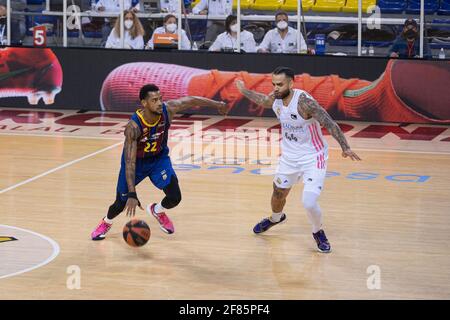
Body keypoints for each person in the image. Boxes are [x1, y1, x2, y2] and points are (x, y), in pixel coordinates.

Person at [235, 67, 361, 253]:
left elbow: (329, 123)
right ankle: (276, 218)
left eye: (280, 84)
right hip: (289, 157)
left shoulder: (304, 103)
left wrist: (345, 147)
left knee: (308, 202)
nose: (276, 88)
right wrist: (243, 90)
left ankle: (318, 232)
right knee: (278, 193)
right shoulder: (276, 98)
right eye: (274, 84)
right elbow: (262, 100)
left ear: (291, 83)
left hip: (313, 157)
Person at [91, 84, 228, 240]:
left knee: (175, 197)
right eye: (154, 100)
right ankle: (106, 222)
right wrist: (132, 193)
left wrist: (217, 104)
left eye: (160, 99)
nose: (159, 103)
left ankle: (157, 210)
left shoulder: (167, 110)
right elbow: (129, 162)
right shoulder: (134, 126)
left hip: (158, 160)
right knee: (120, 204)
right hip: (136, 164)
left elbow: (190, 100)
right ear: (144, 103)